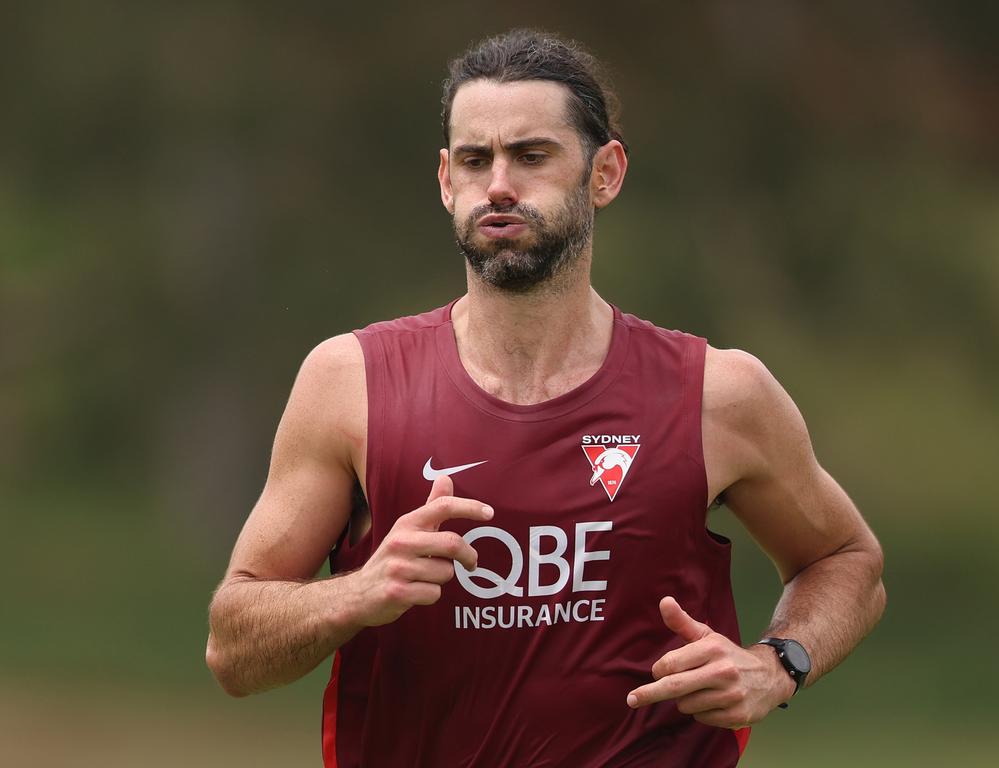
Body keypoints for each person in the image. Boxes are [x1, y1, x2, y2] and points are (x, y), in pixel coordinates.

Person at [206, 29, 886, 768]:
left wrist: (777, 664)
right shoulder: (351, 383)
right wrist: (357, 592)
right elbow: (233, 652)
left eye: (531, 156)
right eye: (475, 159)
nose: (499, 184)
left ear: (606, 173)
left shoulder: (715, 394)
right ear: (445, 181)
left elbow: (849, 559)